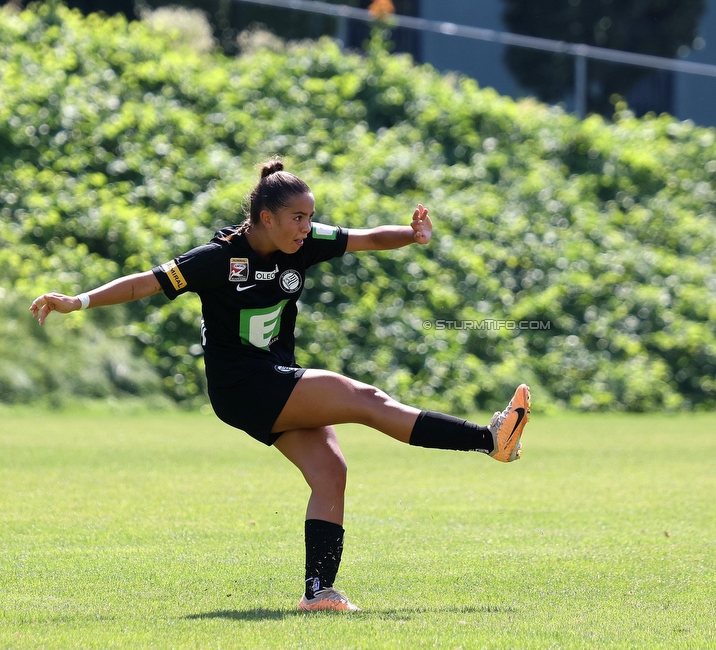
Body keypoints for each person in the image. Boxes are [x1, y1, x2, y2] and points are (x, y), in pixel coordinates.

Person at [29, 158, 531, 612]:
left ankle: (319, 593)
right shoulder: (216, 258)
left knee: (331, 471)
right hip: (243, 385)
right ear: (265, 217)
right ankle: (490, 440)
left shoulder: (303, 244)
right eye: (298, 218)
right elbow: (145, 282)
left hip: (272, 380)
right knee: (364, 400)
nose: (306, 228)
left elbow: (366, 238)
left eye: (310, 218)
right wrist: (79, 301)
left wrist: (412, 234)